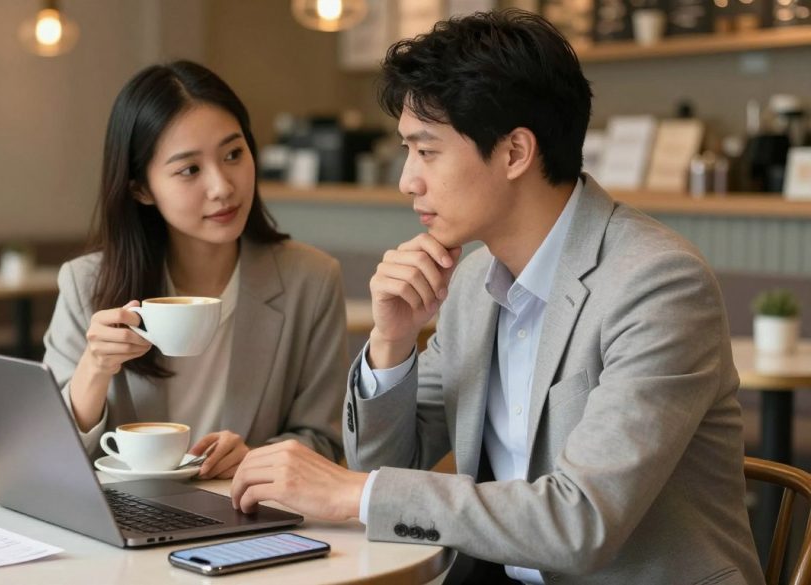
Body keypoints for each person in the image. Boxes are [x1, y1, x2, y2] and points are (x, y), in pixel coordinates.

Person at [230, 10, 763, 584]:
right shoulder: (474, 280)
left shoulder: (656, 284)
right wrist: (393, 339)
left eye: (426, 151)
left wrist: (352, 493)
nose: (407, 180)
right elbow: (387, 467)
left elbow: (581, 522)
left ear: (514, 153)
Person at [43, 61, 347, 480]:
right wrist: (94, 368)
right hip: (124, 521)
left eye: (234, 154)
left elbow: (325, 439)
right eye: (190, 169)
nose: (223, 186)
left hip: (249, 519)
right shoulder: (87, 286)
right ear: (141, 188)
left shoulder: (310, 280)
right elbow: (49, 458)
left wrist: (255, 458)